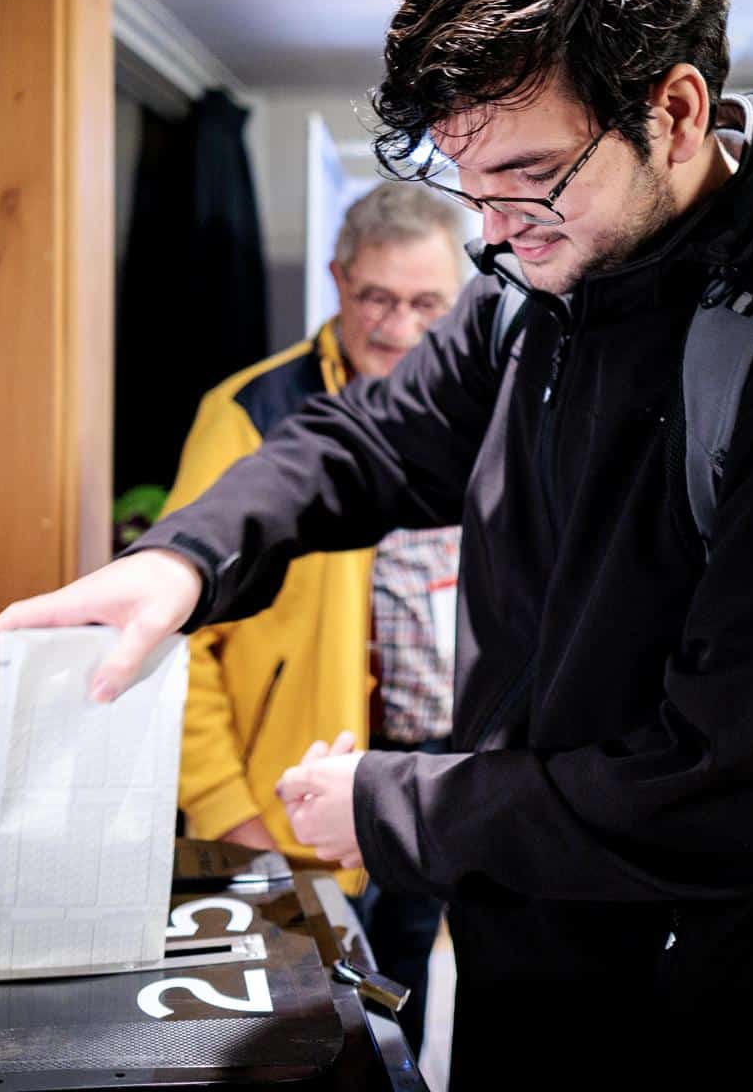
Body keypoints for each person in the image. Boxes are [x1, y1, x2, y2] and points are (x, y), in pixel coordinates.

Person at [0, 0, 753, 1085]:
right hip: (539, 968)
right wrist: (183, 562)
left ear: (672, 112)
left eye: (525, 178)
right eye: (471, 187)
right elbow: (373, 437)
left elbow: (733, 792)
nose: (493, 228)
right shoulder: (541, 282)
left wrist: (391, 806)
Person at [158, 182, 466, 1051]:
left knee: (401, 1010)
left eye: (424, 303)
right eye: (375, 297)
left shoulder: (487, 411)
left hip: (436, 789)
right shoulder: (250, 415)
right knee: (298, 1040)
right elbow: (183, 643)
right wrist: (228, 811)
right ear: (337, 280)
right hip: (286, 808)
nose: (397, 327)